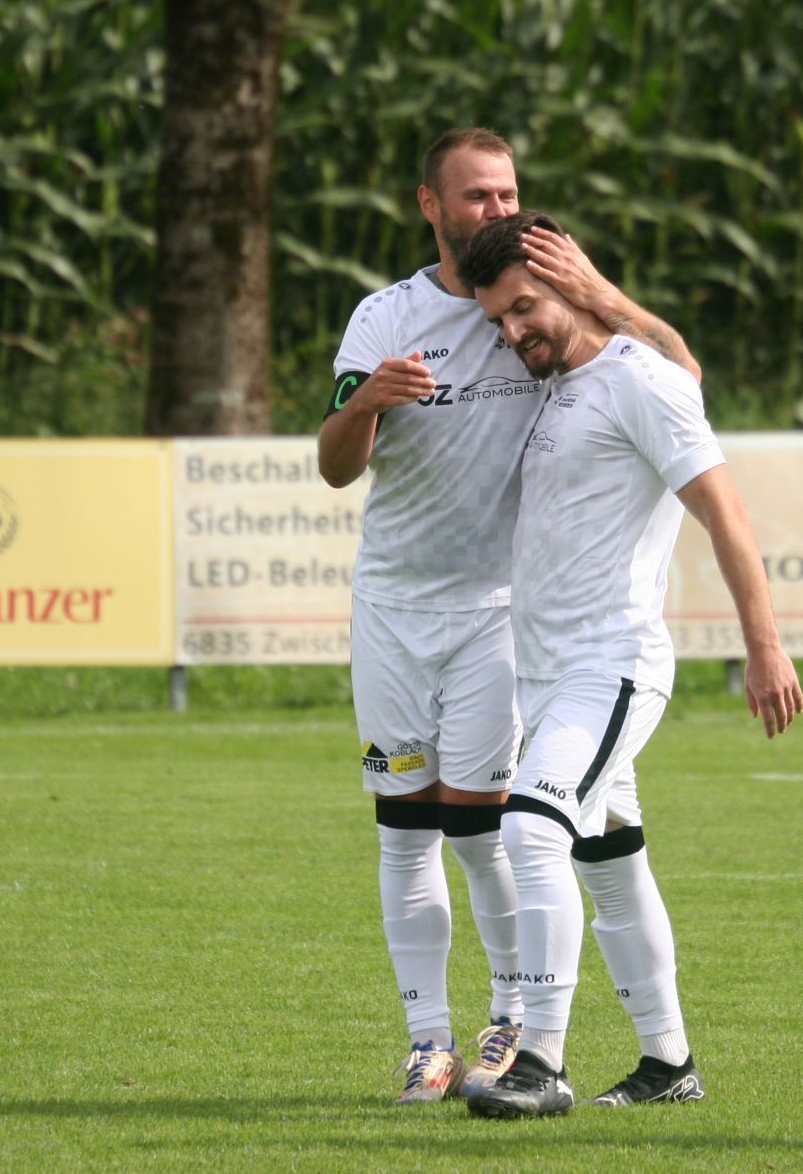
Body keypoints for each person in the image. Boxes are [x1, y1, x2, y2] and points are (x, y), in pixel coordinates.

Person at [318, 129, 699, 1104]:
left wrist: (602, 290)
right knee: (405, 828)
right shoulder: (387, 317)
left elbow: (674, 379)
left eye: (507, 193)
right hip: (394, 603)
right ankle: (427, 1043)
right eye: (476, 195)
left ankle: (515, 1033)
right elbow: (332, 463)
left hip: (504, 617)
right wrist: (366, 404)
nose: (494, 209)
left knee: (494, 830)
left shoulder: (550, 303)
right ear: (428, 205)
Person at [452, 210, 802, 1119]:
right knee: (610, 859)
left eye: (524, 306)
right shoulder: (563, 382)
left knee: (531, 832)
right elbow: (683, 362)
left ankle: (541, 1063)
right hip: (550, 671)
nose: (512, 331)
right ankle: (668, 1062)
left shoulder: (639, 382)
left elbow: (727, 515)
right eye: (497, 319)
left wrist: (763, 645)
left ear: (572, 283)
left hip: (611, 665)